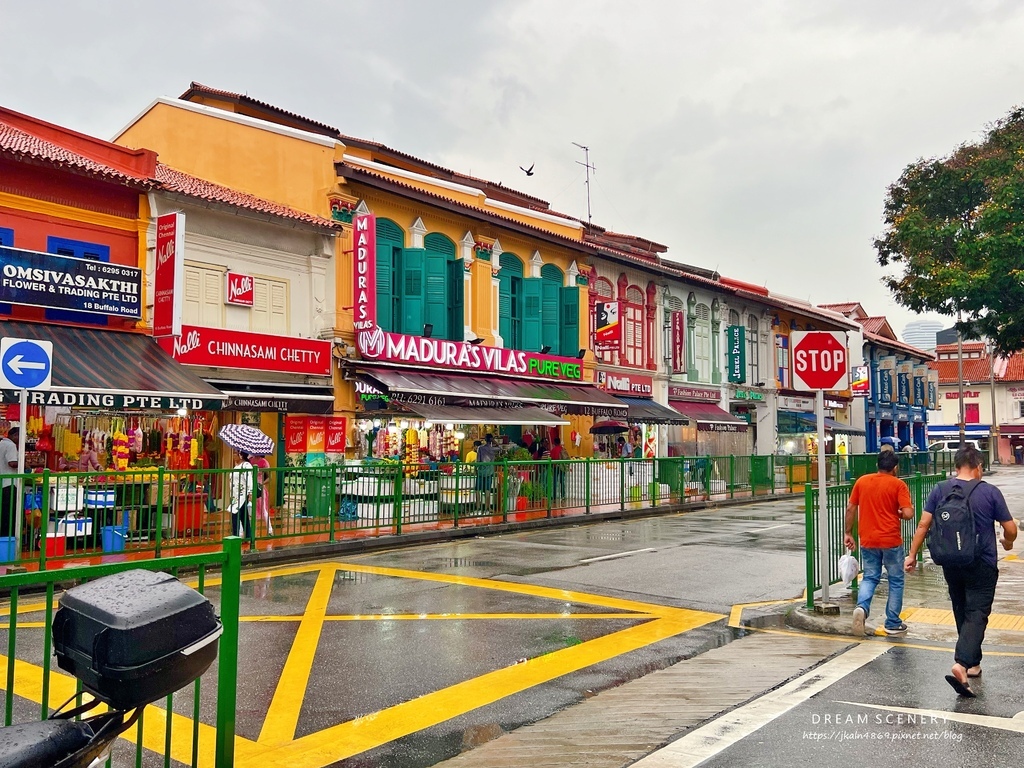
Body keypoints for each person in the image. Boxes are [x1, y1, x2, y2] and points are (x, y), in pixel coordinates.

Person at [905, 446, 1017, 697]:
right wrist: (1008, 543)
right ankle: (962, 663)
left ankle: (973, 663)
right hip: (982, 562)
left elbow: (924, 524)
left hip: (951, 562)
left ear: (956, 466)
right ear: (978, 466)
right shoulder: (989, 492)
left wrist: (912, 555)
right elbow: (1010, 529)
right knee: (977, 612)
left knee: (960, 608)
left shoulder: (940, 490)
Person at [843, 450, 916, 636]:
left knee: (870, 577)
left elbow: (851, 508)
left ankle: (862, 608)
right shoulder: (898, 485)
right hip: (890, 540)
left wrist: (847, 532)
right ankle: (892, 622)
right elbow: (908, 513)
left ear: (877, 465)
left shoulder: (862, 481)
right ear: (895, 467)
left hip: (868, 540)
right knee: (896, 580)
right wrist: (899, 513)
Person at [228, 450, 254, 539]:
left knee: (235, 514)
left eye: (235, 453)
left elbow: (249, 480)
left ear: (241, 455)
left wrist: (250, 492)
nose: (233, 455)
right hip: (235, 496)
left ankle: (235, 536)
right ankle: (248, 536)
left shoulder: (246, 465)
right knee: (243, 516)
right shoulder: (237, 466)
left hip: (242, 495)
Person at [0, 427, 19, 539]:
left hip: (2, 483)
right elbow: (12, 463)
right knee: (9, 514)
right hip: (9, 484)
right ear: (15, 435)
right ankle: (9, 538)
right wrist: (22, 463)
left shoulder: (2, 443)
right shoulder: (11, 445)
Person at [476, 433, 497, 511]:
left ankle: (478, 507)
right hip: (490, 472)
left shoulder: (480, 448)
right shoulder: (492, 449)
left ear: (485, 439)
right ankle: (487, 507)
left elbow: (478, 460)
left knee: (478, 489)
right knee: (487, 489)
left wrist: (476, 468)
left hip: (481, 471)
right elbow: (500, 448)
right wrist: (494, 441)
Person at [253, 455, 273, 536]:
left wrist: (261, 484)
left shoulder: (264, 462)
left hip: (260, 488)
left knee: (263, 509)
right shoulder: (250, 461)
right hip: (251, 487)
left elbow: (269, 477)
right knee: (251, 509)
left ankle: (270, 530)